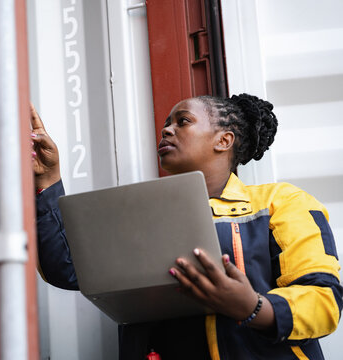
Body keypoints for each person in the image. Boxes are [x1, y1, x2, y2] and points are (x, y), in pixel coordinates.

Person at [30, 94, 342, 359]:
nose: (166, 129)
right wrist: (48, 181)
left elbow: (323, 301)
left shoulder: (281, 202)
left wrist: (253, 307)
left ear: (224, 140)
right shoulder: (144, 213)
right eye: (167, 122)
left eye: (183, 121)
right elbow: (70, 270)